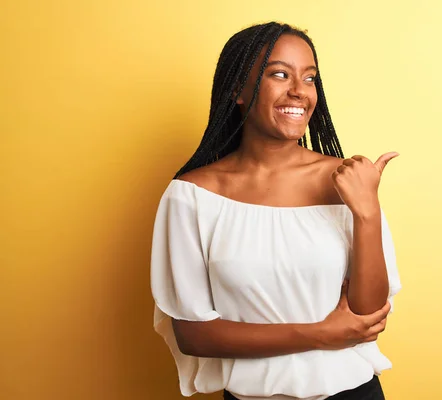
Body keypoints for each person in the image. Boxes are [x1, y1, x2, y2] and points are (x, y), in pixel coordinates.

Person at [150, 21, 402, 400]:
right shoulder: (192, 196)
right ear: (238, 90)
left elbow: (367, 315)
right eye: (280, 75)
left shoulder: (346, 180)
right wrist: (319, 334)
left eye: (310, 78)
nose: (299, 91)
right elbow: (194, 334)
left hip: (354, 393)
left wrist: (366, 212)